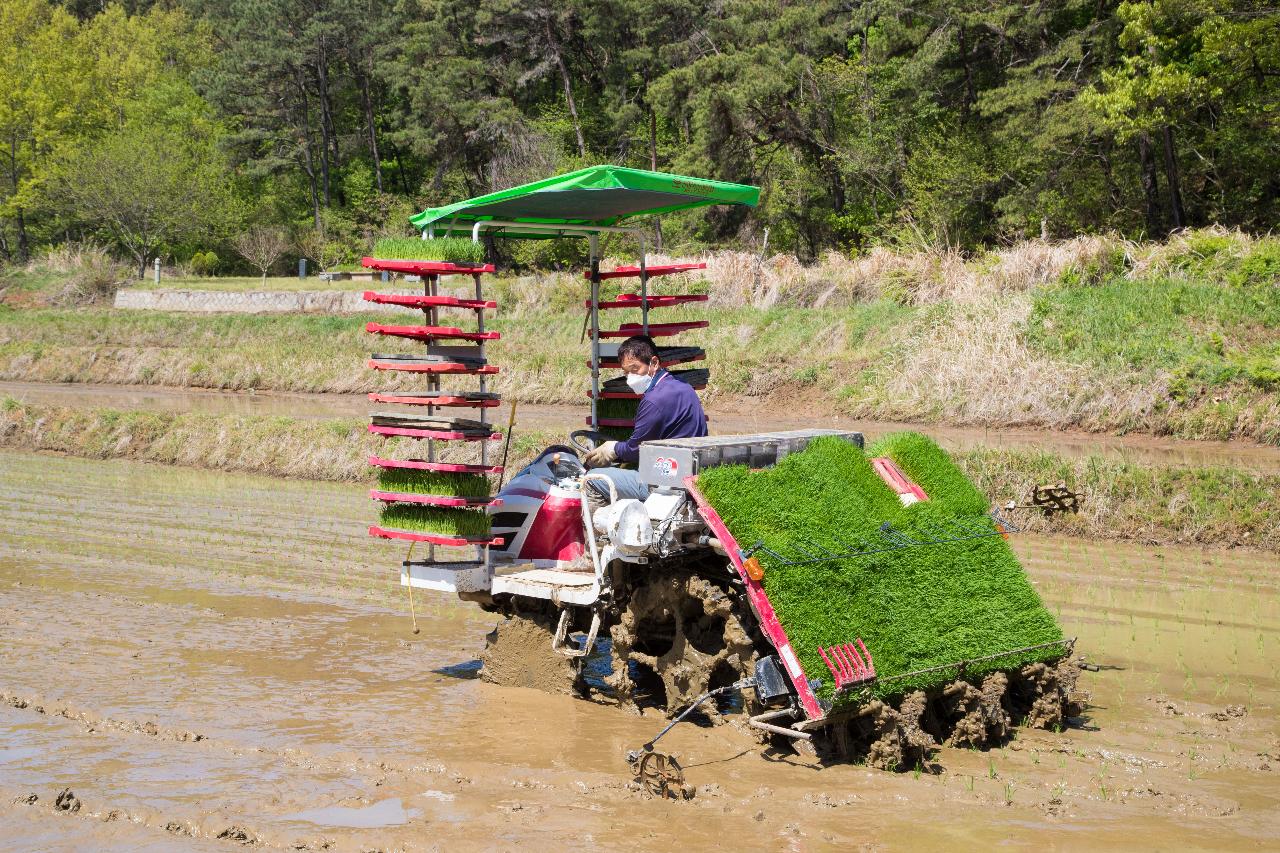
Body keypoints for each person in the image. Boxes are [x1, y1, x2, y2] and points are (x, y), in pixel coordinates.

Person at [581, 334, 708, 505]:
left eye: (635, 370)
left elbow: (636, 449)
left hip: (665, 481)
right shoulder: (684, 388)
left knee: (590, 479)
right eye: (626, 373)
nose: (630, 378)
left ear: (654, 363)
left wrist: (613, 449)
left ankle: (603, 529)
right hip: (689, 474)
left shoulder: (653, 400)